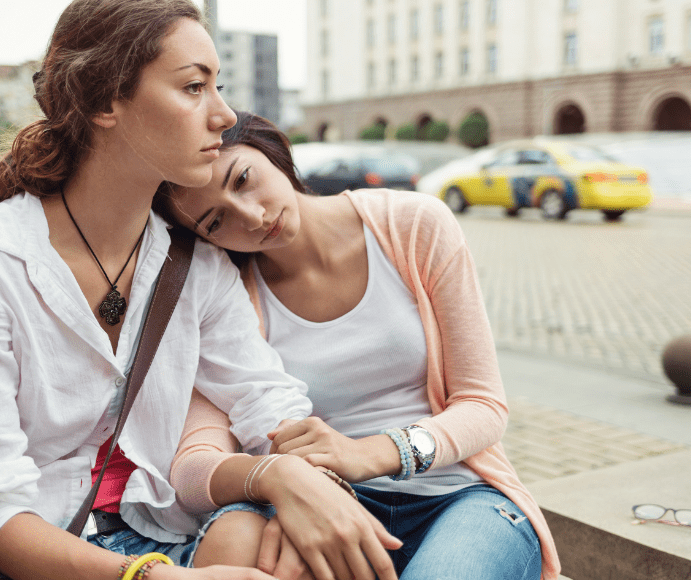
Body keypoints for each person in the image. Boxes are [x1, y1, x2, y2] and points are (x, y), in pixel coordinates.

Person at [0, 3, 397, 580]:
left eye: (219, 86)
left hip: (150, 529)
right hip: (14, 560)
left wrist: (306, 489)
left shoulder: (194, 265)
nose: (224, 115)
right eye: (193, 88)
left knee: (273, 547)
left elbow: (267, 401)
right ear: (106, 101)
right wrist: (157, 578)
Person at [159, 112, 563, 580]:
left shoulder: (412, 225)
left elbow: (484, 405)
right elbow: (191, 469)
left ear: (271, 149)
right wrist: (283, 482)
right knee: (234, 546)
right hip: (324, 500)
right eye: (216, 221)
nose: (252, 216)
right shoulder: (225, 297)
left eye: (244, 179)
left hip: (457, 494)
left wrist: (370, 453)